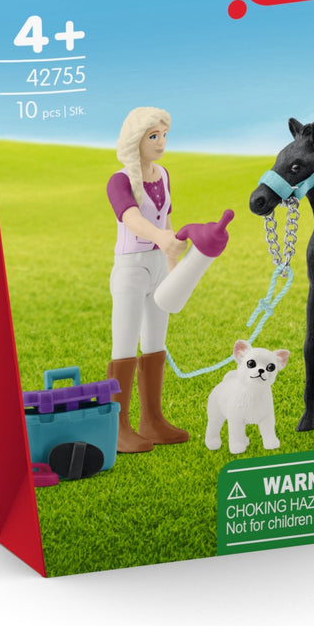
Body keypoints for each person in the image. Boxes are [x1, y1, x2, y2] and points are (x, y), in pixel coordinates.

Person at [106, 107, 189, 452]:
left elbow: (166, 220)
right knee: (124, 345)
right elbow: (130, 217)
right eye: (153, 136)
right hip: (131, 268)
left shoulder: (164, 175)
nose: (161, 142)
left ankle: (151, 420)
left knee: (155, 342)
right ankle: (117, 426)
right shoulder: (120, 180)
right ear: (136, 138)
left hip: (158, 266)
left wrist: (173, 264)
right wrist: (161, 238)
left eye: (164, 135)